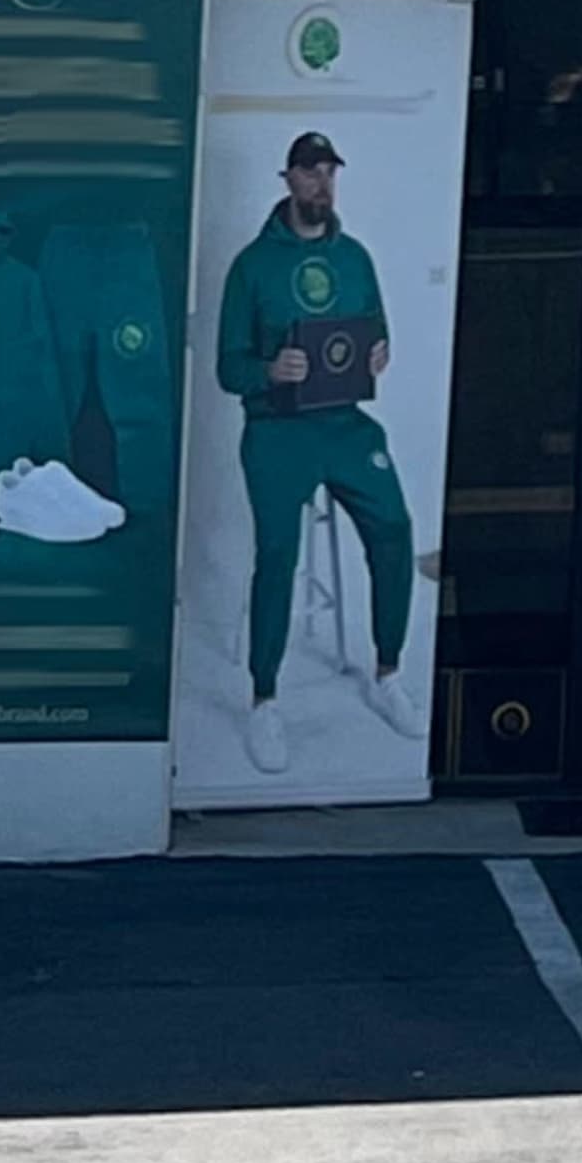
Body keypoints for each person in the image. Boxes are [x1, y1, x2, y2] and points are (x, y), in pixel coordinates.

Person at [214, 131, 415, 777]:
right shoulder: (252, 266)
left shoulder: (354, 257)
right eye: (310, 171)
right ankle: (264, 699)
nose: (322, 183)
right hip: (277, 429)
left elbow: (376, 330)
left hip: (345, 425)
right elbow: (226, 368)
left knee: (395, 528)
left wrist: (380, 351)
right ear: (288, 179)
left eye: (329, 171)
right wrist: (270, 370)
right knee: (278, 552)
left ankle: (388, 672)